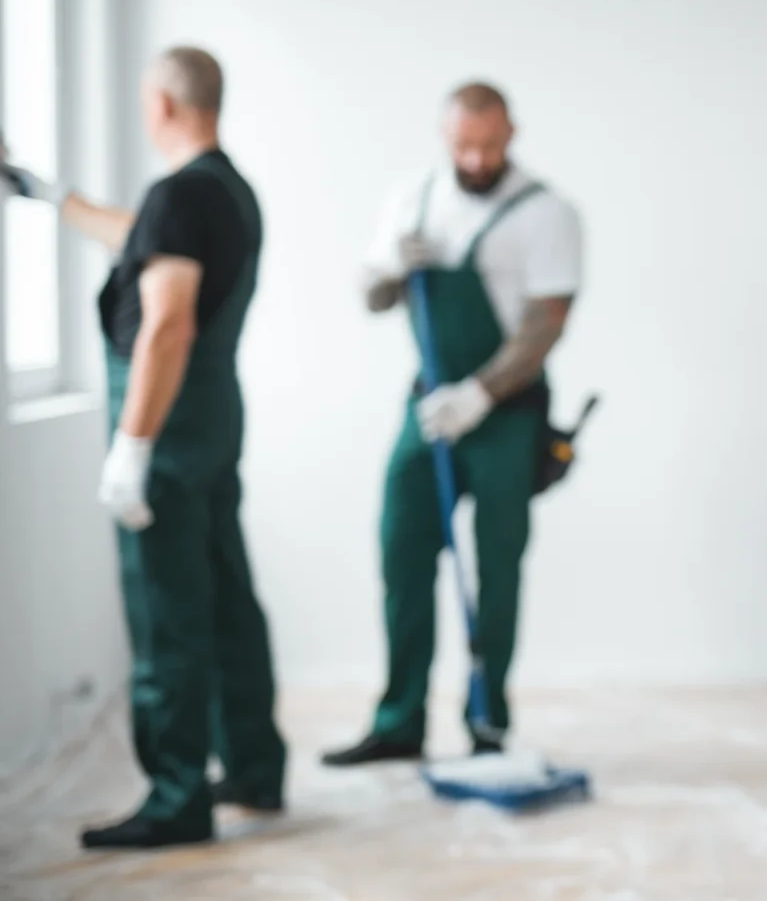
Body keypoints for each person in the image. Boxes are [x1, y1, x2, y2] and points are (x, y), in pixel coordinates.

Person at [7, 47, 287, 847]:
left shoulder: (177, 195)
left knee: (167, 609)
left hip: (166, 420)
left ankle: (176, 797)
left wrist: (131, 446)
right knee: (228, 591)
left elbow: (167, 321)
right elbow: (140, 239)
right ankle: (255, 767)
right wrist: (51, 197)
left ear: (160, 104)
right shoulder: (226, 190)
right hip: (214, 415)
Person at [323, 82, 582, 765]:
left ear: (512, 134)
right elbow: (375, 296)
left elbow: (544, 327)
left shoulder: (546, 212)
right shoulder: (414, 198)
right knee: (402, 551)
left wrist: (480, 395)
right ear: (445, 137)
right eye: (464, 145)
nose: (476, 159)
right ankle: (399, 721)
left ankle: (488, 722)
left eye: (490, 145)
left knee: (497, 566)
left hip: (507, 412)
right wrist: (386, 267)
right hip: (430, 404)